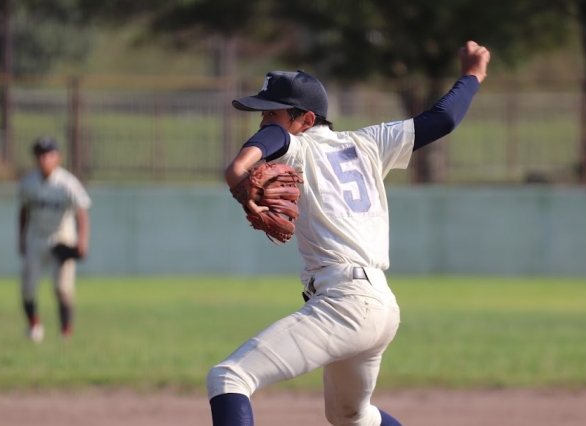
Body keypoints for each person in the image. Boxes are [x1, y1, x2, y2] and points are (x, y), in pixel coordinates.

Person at [207, 40, 490, 426]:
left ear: (306, 119)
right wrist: (473, 75)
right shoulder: (369, 143)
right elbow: (442, 119)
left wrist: (240, 168)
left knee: (229, 378)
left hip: (344, 302)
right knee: (352, 416)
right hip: (380, 305)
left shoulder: (297, 147)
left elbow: (273, 140)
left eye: (271, 113)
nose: (263, 123)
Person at [18, 136, 91, 341]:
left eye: (48, 155)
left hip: (62, 237)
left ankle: (66, 332)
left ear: (58, 157)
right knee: (28, 286)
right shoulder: (28, 182)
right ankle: (34, 326)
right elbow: (23, 211)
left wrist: (82, 241)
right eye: (40, 155)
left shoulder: (67, 183)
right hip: (36, 236)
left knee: (63, 288)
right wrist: (21, 238)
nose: (44, 159)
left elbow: (82, 212)